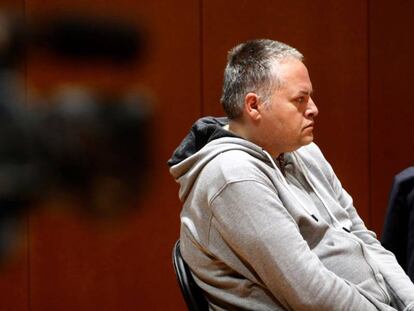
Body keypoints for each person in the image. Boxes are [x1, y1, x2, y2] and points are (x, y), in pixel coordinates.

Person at [168, 39, 414, 310]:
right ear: (254, 106)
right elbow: (311, 294)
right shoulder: (233, 177)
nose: (313, 109)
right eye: (300, 99)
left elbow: (363, 238)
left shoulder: (305, 152)